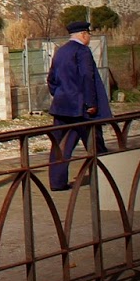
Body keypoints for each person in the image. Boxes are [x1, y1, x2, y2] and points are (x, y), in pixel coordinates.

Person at [45, 20, 113, 191]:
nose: (89, 37)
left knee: (60, 146)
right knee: (95, 143)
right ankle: (106, 177)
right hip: (81, 108)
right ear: (83, 34)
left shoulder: (60, 51)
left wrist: (60, 95)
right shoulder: (82, 51)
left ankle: (57, 182)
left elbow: (51, 79)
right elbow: (86, 77)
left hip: (62, 106)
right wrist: (91, 103)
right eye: (88, 34)